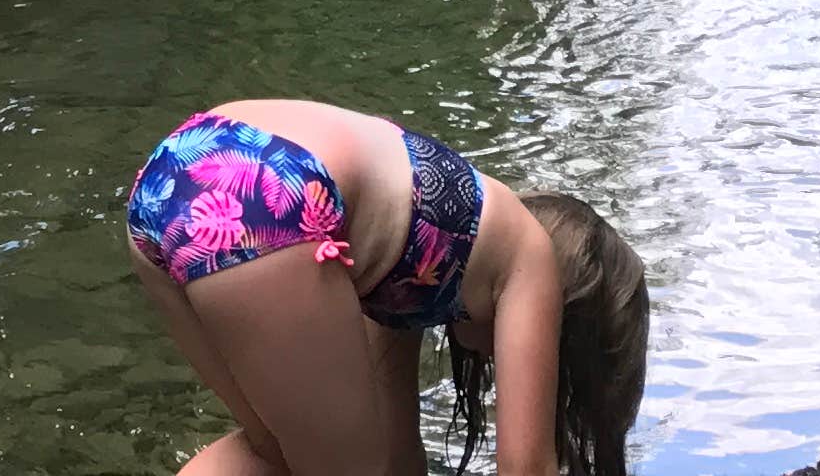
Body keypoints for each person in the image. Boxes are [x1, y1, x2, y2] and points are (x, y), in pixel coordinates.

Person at [125, 98, 647, 476]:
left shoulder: (424, 257)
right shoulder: (531, 259)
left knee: (274, 454)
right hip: (272, 192)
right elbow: (525, 469)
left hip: (173, 176)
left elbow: (398, 449)